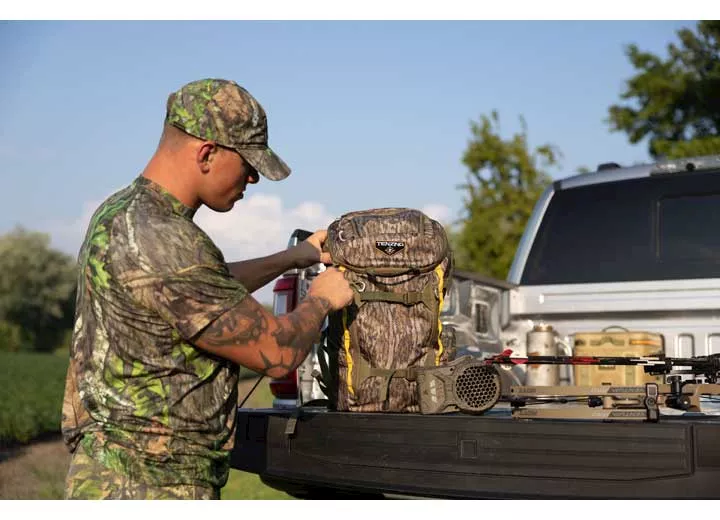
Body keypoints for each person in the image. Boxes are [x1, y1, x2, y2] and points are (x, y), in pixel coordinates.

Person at [61, 78, 354, 500]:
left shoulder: (122, 214)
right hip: (152, 487)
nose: (253, 179)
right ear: (206, 153)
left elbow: (201, 288)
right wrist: (324, 298)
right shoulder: (166, 237)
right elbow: (276, 353)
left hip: (112, 476)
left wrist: (294, 257)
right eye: (248, 164)